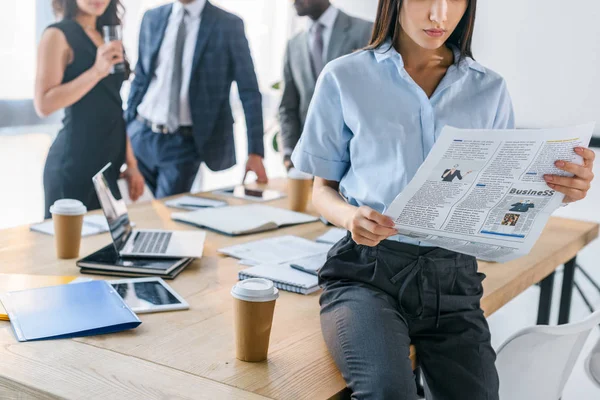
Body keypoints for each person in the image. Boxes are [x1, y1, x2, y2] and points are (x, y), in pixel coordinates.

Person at [291, 0, 596, 398]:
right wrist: (350, 217)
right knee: (387, 392)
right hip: (367, 274)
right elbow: (321, 190)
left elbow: (499, 193)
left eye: (454, 0)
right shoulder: (344, 77)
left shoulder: (489, 89)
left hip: (452, 281)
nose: (440, 15)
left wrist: (561, 193)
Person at [126, 0, 267, 199]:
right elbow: (141, 77)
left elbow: (249, 90)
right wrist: (126, 127)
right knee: (135, 212)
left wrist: (255, 151)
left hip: (183, 143)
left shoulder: (227, 25)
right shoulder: (153, 17)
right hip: (140, 135)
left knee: (167, 215)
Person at [36, 0, 145, 219]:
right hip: (75, 164)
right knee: (72, 250)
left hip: (108, 167)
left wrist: (131, 163)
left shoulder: (108, 34)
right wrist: (97, 71)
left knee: (106, 247)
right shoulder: (57, 35)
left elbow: (114, 105)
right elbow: (44, 104)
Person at [279, 0, 373, 170]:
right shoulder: (293, 44)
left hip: (358, 164)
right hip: (308, 164)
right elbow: (288, 106)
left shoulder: (367, 31)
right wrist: (288, 153)